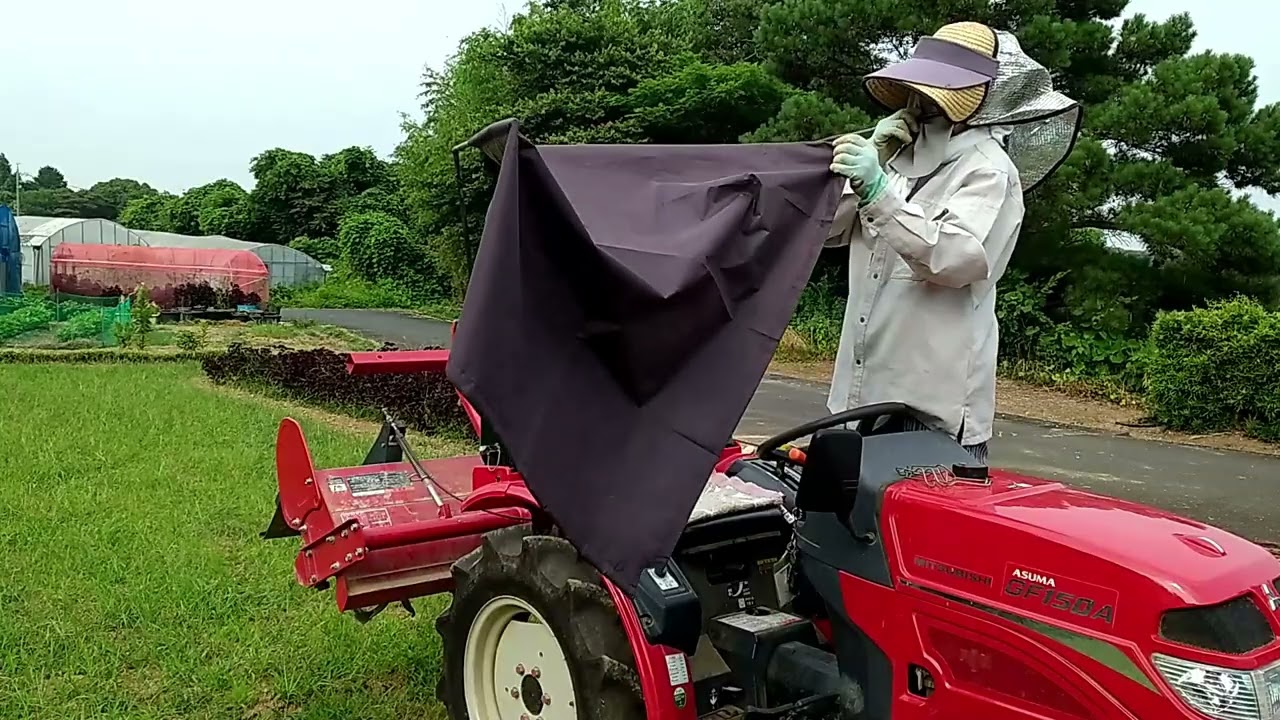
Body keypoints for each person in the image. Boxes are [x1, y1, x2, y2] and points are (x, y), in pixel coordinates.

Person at [824, 22, 1081, 463]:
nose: (919, 101)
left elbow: (953, 260)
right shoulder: (897, 159)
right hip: (858, 399)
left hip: (930, 415)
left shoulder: (988, 170)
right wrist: (875, 159)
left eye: (931, 90)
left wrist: (878, 192)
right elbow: (828, 232)